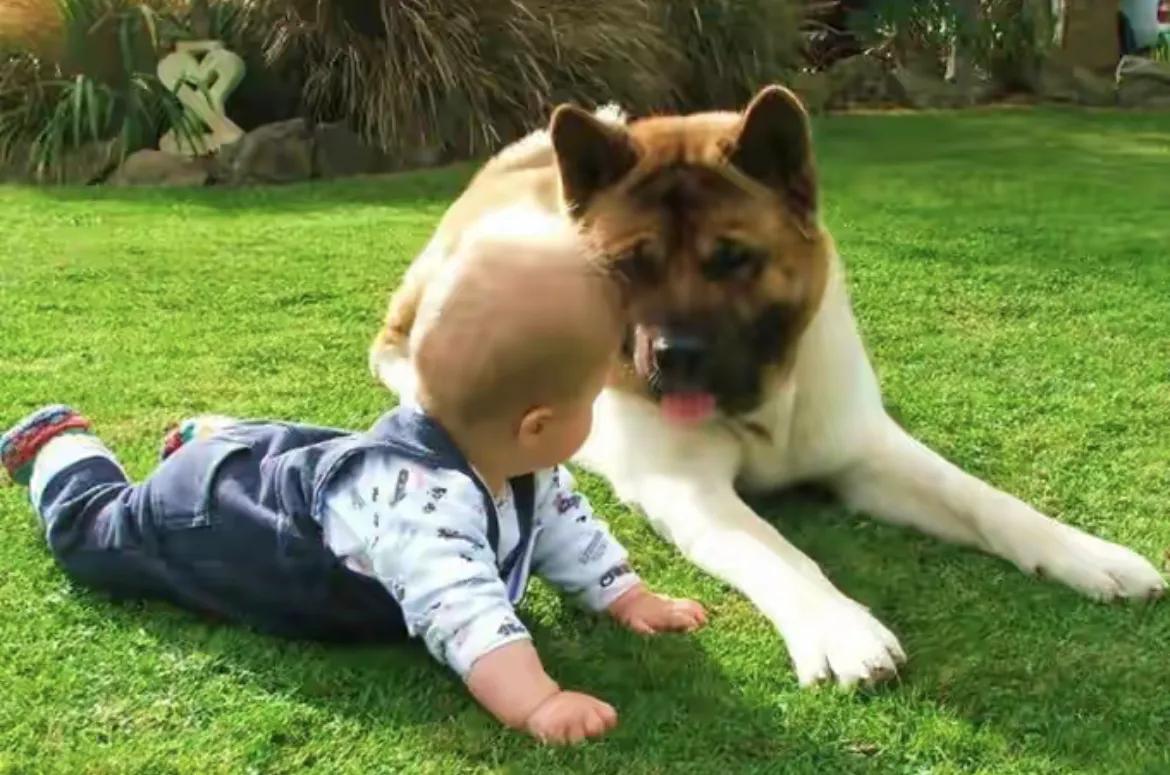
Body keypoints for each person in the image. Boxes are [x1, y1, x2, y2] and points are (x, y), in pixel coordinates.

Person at [0, 210, 706, 745]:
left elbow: (562, 525)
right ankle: (63, 449)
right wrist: (538, 700)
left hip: (298, 470)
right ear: (536, 423)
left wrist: (624, 593)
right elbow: (463, 611)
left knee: (292, 456)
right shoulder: (425, 506)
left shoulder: (519, 461)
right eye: (589, 398)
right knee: (98, 536)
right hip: (214, 519)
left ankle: (210, 439)